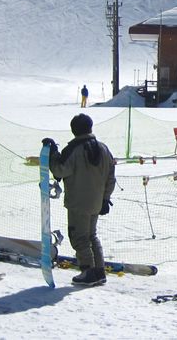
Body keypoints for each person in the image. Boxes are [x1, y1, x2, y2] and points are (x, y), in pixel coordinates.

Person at [43, 114, 116, 286]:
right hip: (96, 201)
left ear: (74, 130)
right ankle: (99, 270)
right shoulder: (103, 148)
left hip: (78, 201)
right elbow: (111, 177)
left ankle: (88, 270)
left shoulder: (74, 149)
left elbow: (60, 170)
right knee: (91, 235)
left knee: (79, 237)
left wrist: (53, 154)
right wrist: (106, 198)